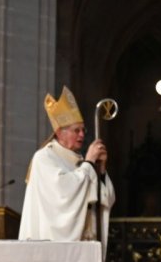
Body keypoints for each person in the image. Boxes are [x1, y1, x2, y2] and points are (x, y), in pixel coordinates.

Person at [18, 86, 115, 250]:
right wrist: (90, 163)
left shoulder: (80, 162)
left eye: (83, 130)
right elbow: (63, 194)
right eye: (76, 130)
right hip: (52, 246)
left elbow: (106, 199)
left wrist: (101, 171)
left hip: (84, 246)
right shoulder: (44, 158)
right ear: (59, 132)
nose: (82, 135)